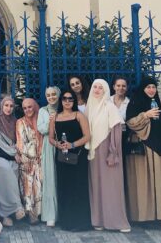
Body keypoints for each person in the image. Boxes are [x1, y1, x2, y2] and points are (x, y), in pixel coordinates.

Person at [124, 77, 161, 226]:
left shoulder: (158, 103)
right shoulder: (135, 103)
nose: (151, 90)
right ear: (142, 89)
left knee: (160, 181)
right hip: (144, 147)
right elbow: (130, 123)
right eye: (148, 87)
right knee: (144, 182)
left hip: (160, 147)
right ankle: (145, 217)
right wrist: (145, 115)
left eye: (153, 87)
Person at [85, 79, 130, 232]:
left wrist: (113, 152)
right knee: (96, 185)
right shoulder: (90, 107)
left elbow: (116, 130)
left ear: (105, 91)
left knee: (112, 186)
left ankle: (118, 222)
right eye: (95, 87)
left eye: (101, 88)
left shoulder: (109, 107)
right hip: (93, 152)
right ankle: (98, 220)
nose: (97, 90)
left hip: (108, 150)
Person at [49, 88, 91, 231]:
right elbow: (50, 138)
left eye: (70, 99)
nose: (67, 101)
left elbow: (87, 136)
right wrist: (58, 144)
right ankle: (67, 221)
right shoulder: (55, 117)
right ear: (61, 101)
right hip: (62, 157)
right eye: (64, 99)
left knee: (78, 188)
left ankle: (81, 222)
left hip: (78, 157)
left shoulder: (79, 115)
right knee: (64, 187)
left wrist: (72, 144)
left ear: (74, 101)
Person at [0, 97, 25, 226]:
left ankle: (13, 212)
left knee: (15, 170)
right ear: (1, 106)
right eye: (6, 105)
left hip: (13, 156)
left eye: (11, 106)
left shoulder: (16, 121)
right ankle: (9, 211)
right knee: (6, 170)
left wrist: (16, 152)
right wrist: (13, 152)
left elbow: (19, 140)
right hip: (0, 156)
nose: (8, 108)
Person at [16, 97, 43, 223]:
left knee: (39, 186)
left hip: (40, 158)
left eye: (30, 107)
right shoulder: (20, 122)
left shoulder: (41, 121)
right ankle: (30, 213)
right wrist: (25, 159)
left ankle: (40, 212)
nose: (27, 110)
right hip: (27, 159)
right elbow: (20, 142)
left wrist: (41, 156)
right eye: (25, 108)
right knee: (28, 186)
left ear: (35, 107)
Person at [36, 86, 60, 226]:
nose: (51, 97)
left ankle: (63, 212)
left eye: (54, 94)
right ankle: (51, 214)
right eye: (48, 95)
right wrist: (52, 120)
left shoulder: (64, 107)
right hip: (49, 146)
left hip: (63, 143)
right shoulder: (43, 111)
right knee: (50, 178)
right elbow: (42, 129)